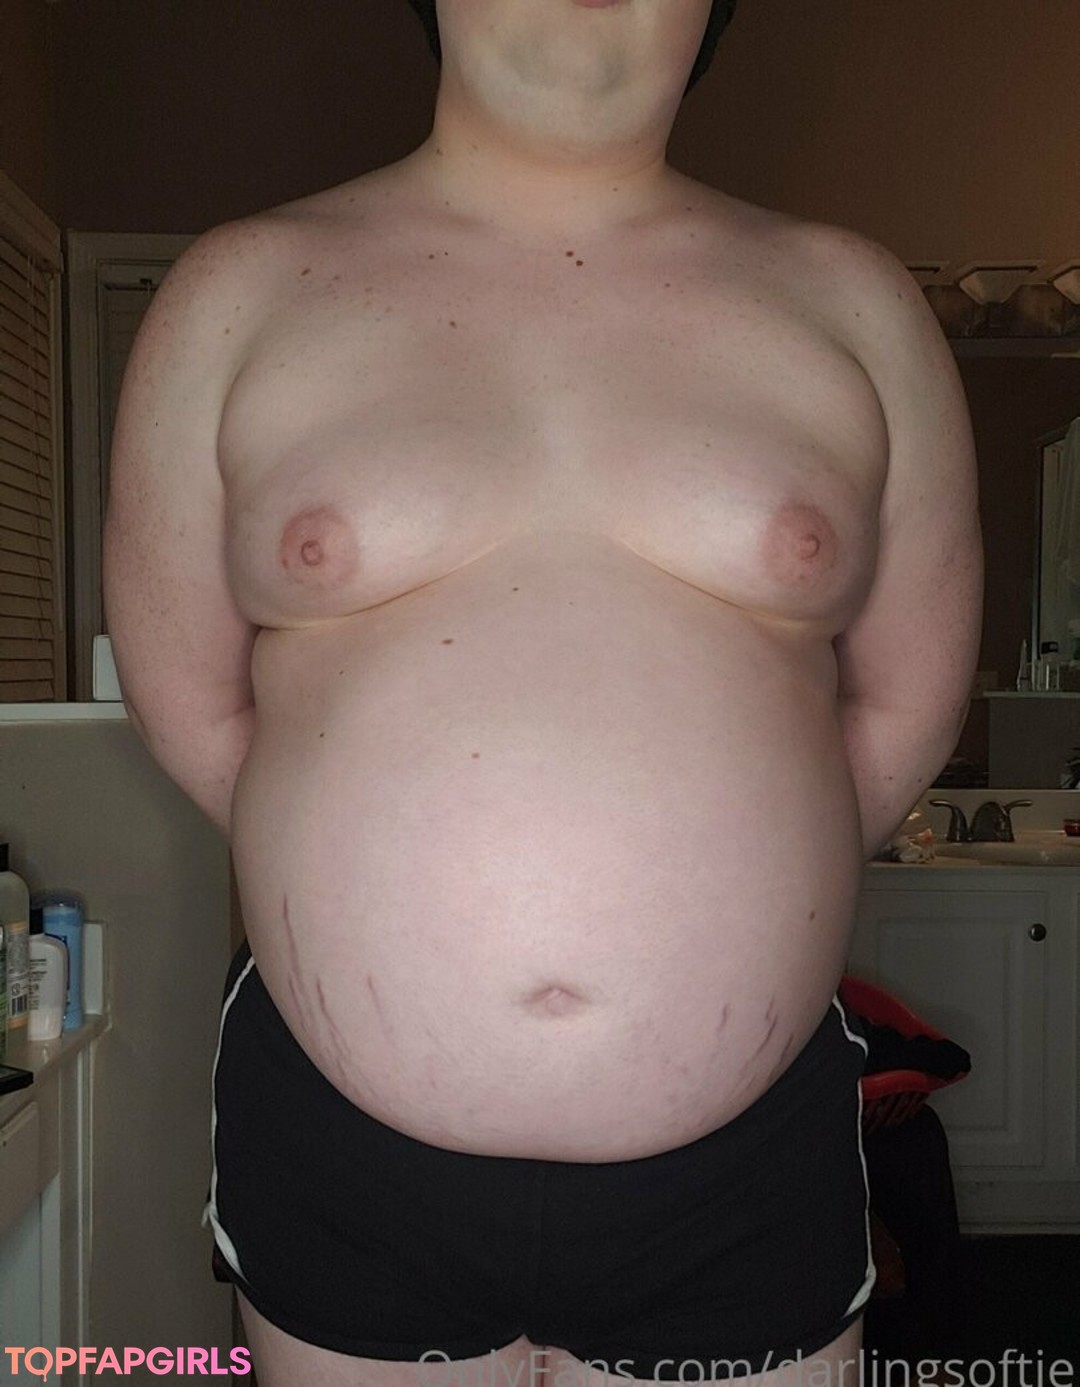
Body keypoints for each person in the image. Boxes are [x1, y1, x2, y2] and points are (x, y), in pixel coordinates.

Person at [102, 1, 982, 1383]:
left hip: (745, 1164)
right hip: (347, 1156)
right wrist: (363, 874)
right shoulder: (239, 290)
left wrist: (749, 878)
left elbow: (902, 713)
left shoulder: (855, 303)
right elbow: (197, 712)